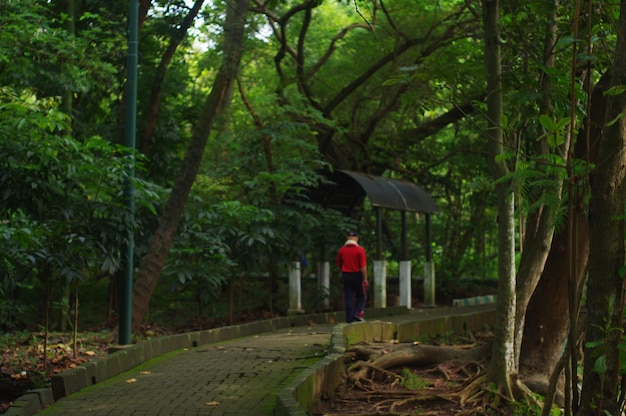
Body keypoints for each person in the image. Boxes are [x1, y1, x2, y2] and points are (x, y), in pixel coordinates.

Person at [336, 231, 368, 323]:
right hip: (357, 275)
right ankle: (357, 313)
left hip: (346, 275)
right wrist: (365, 278)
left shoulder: (342, 250)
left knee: (348, 297)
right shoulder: (360, 250)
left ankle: (349, 319)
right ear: (356, 239)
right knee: (361, 296)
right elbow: (363, 266)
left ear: (347, 238)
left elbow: (339, 264)